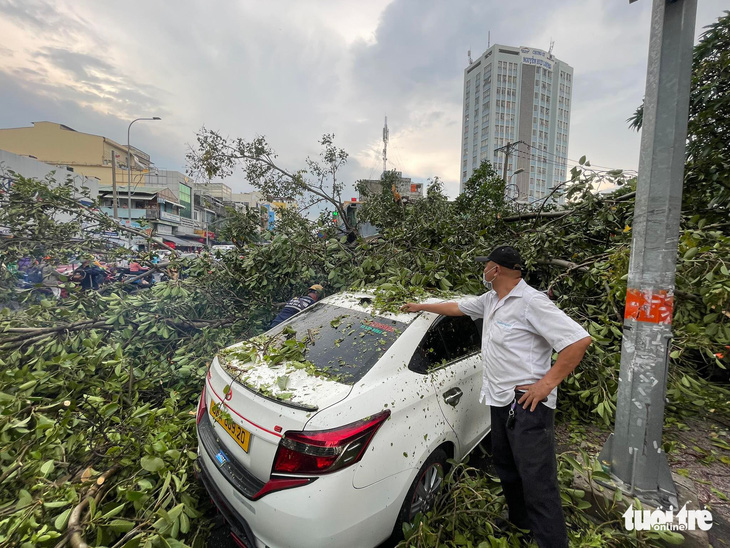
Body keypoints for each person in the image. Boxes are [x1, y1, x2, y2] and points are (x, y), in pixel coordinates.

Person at [401, 245, 591, 548]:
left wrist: (545, 385)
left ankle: (551, 542)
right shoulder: (491, 300)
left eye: (485, 265)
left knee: (537, 480)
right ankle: (520, 525)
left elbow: (578, 341)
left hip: (527, 404)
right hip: (500, 400)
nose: (484, 271)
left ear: (497, 270)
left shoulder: (532, 303)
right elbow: (455, 307)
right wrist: (420, 306)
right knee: (507, 466)